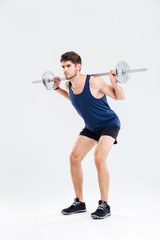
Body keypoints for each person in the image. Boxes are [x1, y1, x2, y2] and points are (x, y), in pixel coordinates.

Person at [53, 51, 125, 219]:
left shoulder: (94, 81)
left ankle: (104, 205)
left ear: (78, 66)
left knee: (99, 157)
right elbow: (74, 99)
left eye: (68, 66)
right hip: (91, 127)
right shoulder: (69, 86)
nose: (65, 70)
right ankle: (79, 202)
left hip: (109, 124)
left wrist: (115, 83)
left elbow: (119, 97)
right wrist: (56, 88)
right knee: (74, 157)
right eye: (63, 67)